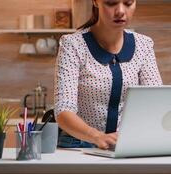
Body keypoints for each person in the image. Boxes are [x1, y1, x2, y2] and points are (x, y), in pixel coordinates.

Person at [54, 0, 162, 149]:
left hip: (127, 147)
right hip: (80, 147)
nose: (120, 11)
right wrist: (96, 136)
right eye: (111, 3)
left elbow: (156, 101)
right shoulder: (72, 45)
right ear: (95, 2)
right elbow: (63, 110)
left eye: (128, 3)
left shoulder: (144, 45)